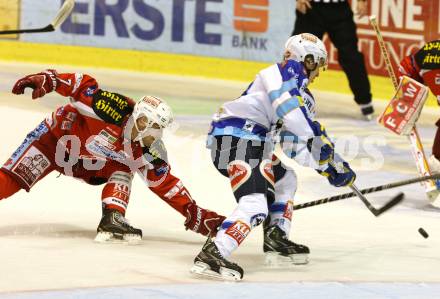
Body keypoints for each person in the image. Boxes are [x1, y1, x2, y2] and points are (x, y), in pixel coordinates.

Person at [190, 33, 356, 280]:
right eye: (317, 64)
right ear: (306, 59)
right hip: (237, 139)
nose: (318, 73)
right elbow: (293, 115)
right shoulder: (278, 74)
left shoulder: (303, 97)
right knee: (255, 203)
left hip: (253, 144)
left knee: (285, 179)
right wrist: (320, 145)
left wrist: (328, 166)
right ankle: (215, 251)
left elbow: (292, 144)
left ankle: (276, 237)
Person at [1, 69, 225, 243]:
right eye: (157, 127)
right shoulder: (110, 108)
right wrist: (49, 79)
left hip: (87, 164)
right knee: (9, 182)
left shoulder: (148, 148)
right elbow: (81, 86)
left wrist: (194, 213)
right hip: (53, 141)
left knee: (124, 167)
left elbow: (165, 183)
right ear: (142, 121)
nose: (160, 134)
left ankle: (112, 218)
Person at [293, 0, 374, 120]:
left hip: (340, 10)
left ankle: (365, 100)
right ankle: (289, 97)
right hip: (310, 8)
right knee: (300, 53)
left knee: (351, 56)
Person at [398, 40, 440, 172]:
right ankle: (437, 163)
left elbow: (407, 65)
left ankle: (437, 162)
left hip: (419, 67)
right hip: (425, 67)